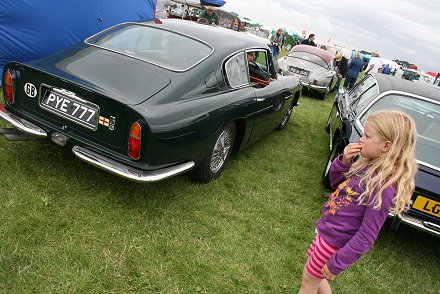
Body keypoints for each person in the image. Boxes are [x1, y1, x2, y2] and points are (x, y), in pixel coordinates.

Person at [298, 110, 417, 294]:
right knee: (315, 278)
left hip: (332, 243)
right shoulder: (367, 165)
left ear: (386, 146)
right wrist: (344, 161)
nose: (361, 139)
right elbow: (335, 183)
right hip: (326, 232)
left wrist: (338, 262)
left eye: (367, 136)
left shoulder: (382, 187)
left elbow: (367, 235)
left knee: (308, 283)